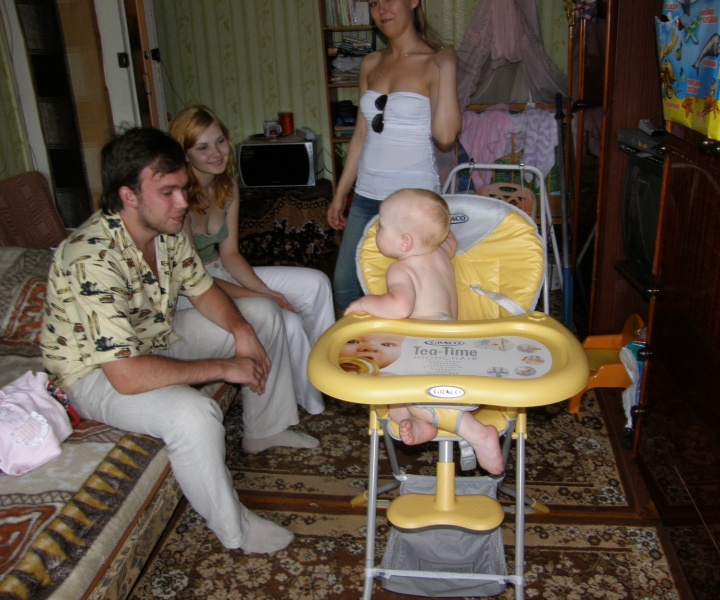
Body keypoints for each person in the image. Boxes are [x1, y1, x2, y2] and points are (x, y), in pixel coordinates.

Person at [40, 128, 319, 555]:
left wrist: (243, 332)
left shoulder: (166, 230)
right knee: (193, 414)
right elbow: (127, 376)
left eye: (183, 189)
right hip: (96, 374)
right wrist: (226, 367)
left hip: (154, 336)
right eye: (168, 192)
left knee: (263, 315)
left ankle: (266, 429)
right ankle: (235, 530)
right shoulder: (91, 258)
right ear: (128, 196)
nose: (183, 203)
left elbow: (203, 289)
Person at [169, 106, 334, 415]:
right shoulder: (177, 200)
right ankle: (308, 402)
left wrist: (265, 291)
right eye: (202, 147)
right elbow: (195, 280)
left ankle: (326, 376)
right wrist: (262, 297)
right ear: (185, 155)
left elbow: (230, 255)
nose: (217, 153)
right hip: (193, 291)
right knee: (288, 321)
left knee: (317, 282)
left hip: (220, 271)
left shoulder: (227, 186)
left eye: (220, 141)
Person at [344, 189, 503, 474]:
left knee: (414, 396)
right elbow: (450, 239)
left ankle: (478, 434)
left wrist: (363, 303)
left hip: (430, 344)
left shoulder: (400, 269)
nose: (376, 230)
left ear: (405, 242)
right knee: (393, 395)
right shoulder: (441, 251)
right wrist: (437, 230)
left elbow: (399, 307)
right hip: (454, 339)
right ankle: (422, 425)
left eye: (381, 226)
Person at [327, 0, 461, 315]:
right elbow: (361, 135)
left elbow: (445, 136)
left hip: (413, 201)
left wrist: (448, 68)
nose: (381, 9)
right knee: (344, 284)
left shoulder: (435, 62)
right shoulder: (370, 62)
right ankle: (361, 345)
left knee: (410, 287)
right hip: (366, 193)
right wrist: (340, 193)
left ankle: (407, 343)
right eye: (374, 3)